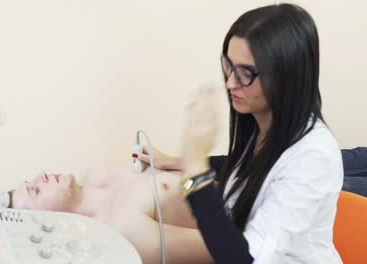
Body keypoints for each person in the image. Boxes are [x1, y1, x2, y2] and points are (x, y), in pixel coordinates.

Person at [136, 3, 343, 263]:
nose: (230, 82)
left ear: (286, 76)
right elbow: (248, 167)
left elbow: (246, 260)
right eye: (229, 66)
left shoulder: (313, 158)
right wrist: (179, 161)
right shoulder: (264, 126)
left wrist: (196, 171)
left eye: (246, 73)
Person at [10, 165, 213, 264]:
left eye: (31, 181)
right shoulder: (127, 232)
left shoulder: (96, 175)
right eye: (35, 190)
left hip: (237, 179)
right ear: (47, 223)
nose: (40, 177)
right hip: (240, 214)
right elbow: (225, 246)